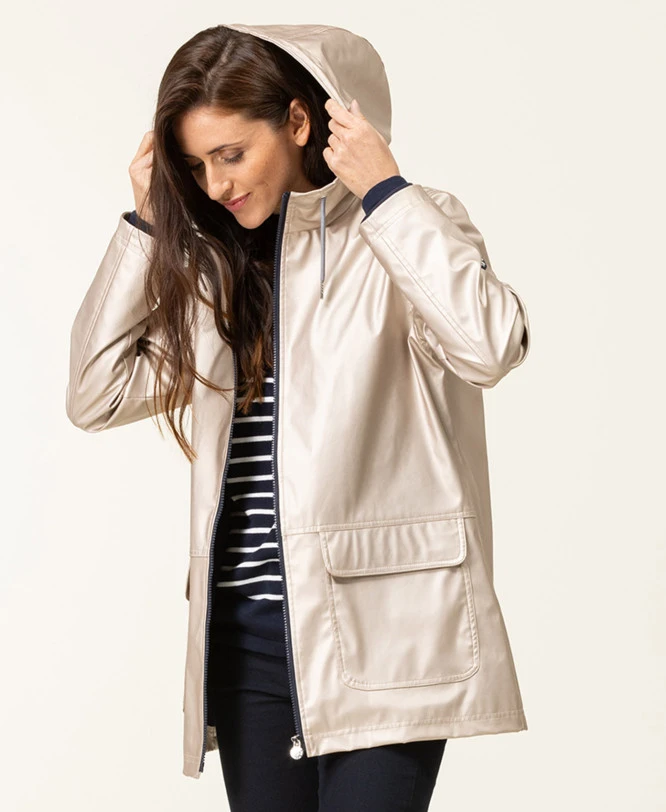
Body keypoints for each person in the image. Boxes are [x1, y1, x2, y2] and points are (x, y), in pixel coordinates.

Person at [65, 22, 531, 812]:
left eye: (231, 154)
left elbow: (490, 345)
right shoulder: (217, 270)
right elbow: (94, 391)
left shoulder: (405, 226)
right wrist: (145, 227)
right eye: (195, 166)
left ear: (298, 121)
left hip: (382, 634)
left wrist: (386, 191)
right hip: (246, 640)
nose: (215, 185)